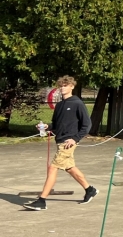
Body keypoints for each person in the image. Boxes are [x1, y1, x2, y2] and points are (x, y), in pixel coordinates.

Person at [23, 76, 96, 210]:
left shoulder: (77, 103)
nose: (63, 88)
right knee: (69, 168)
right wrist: (47, 127)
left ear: (72, 87)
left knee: (53, 168)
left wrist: (75, 138)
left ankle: (42, 201)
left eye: (66, 85)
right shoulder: (60, 105)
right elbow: (56, 125)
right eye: (61, 85)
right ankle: (90, 189)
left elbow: (87, 124)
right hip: (60, 140)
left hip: (69, 142)